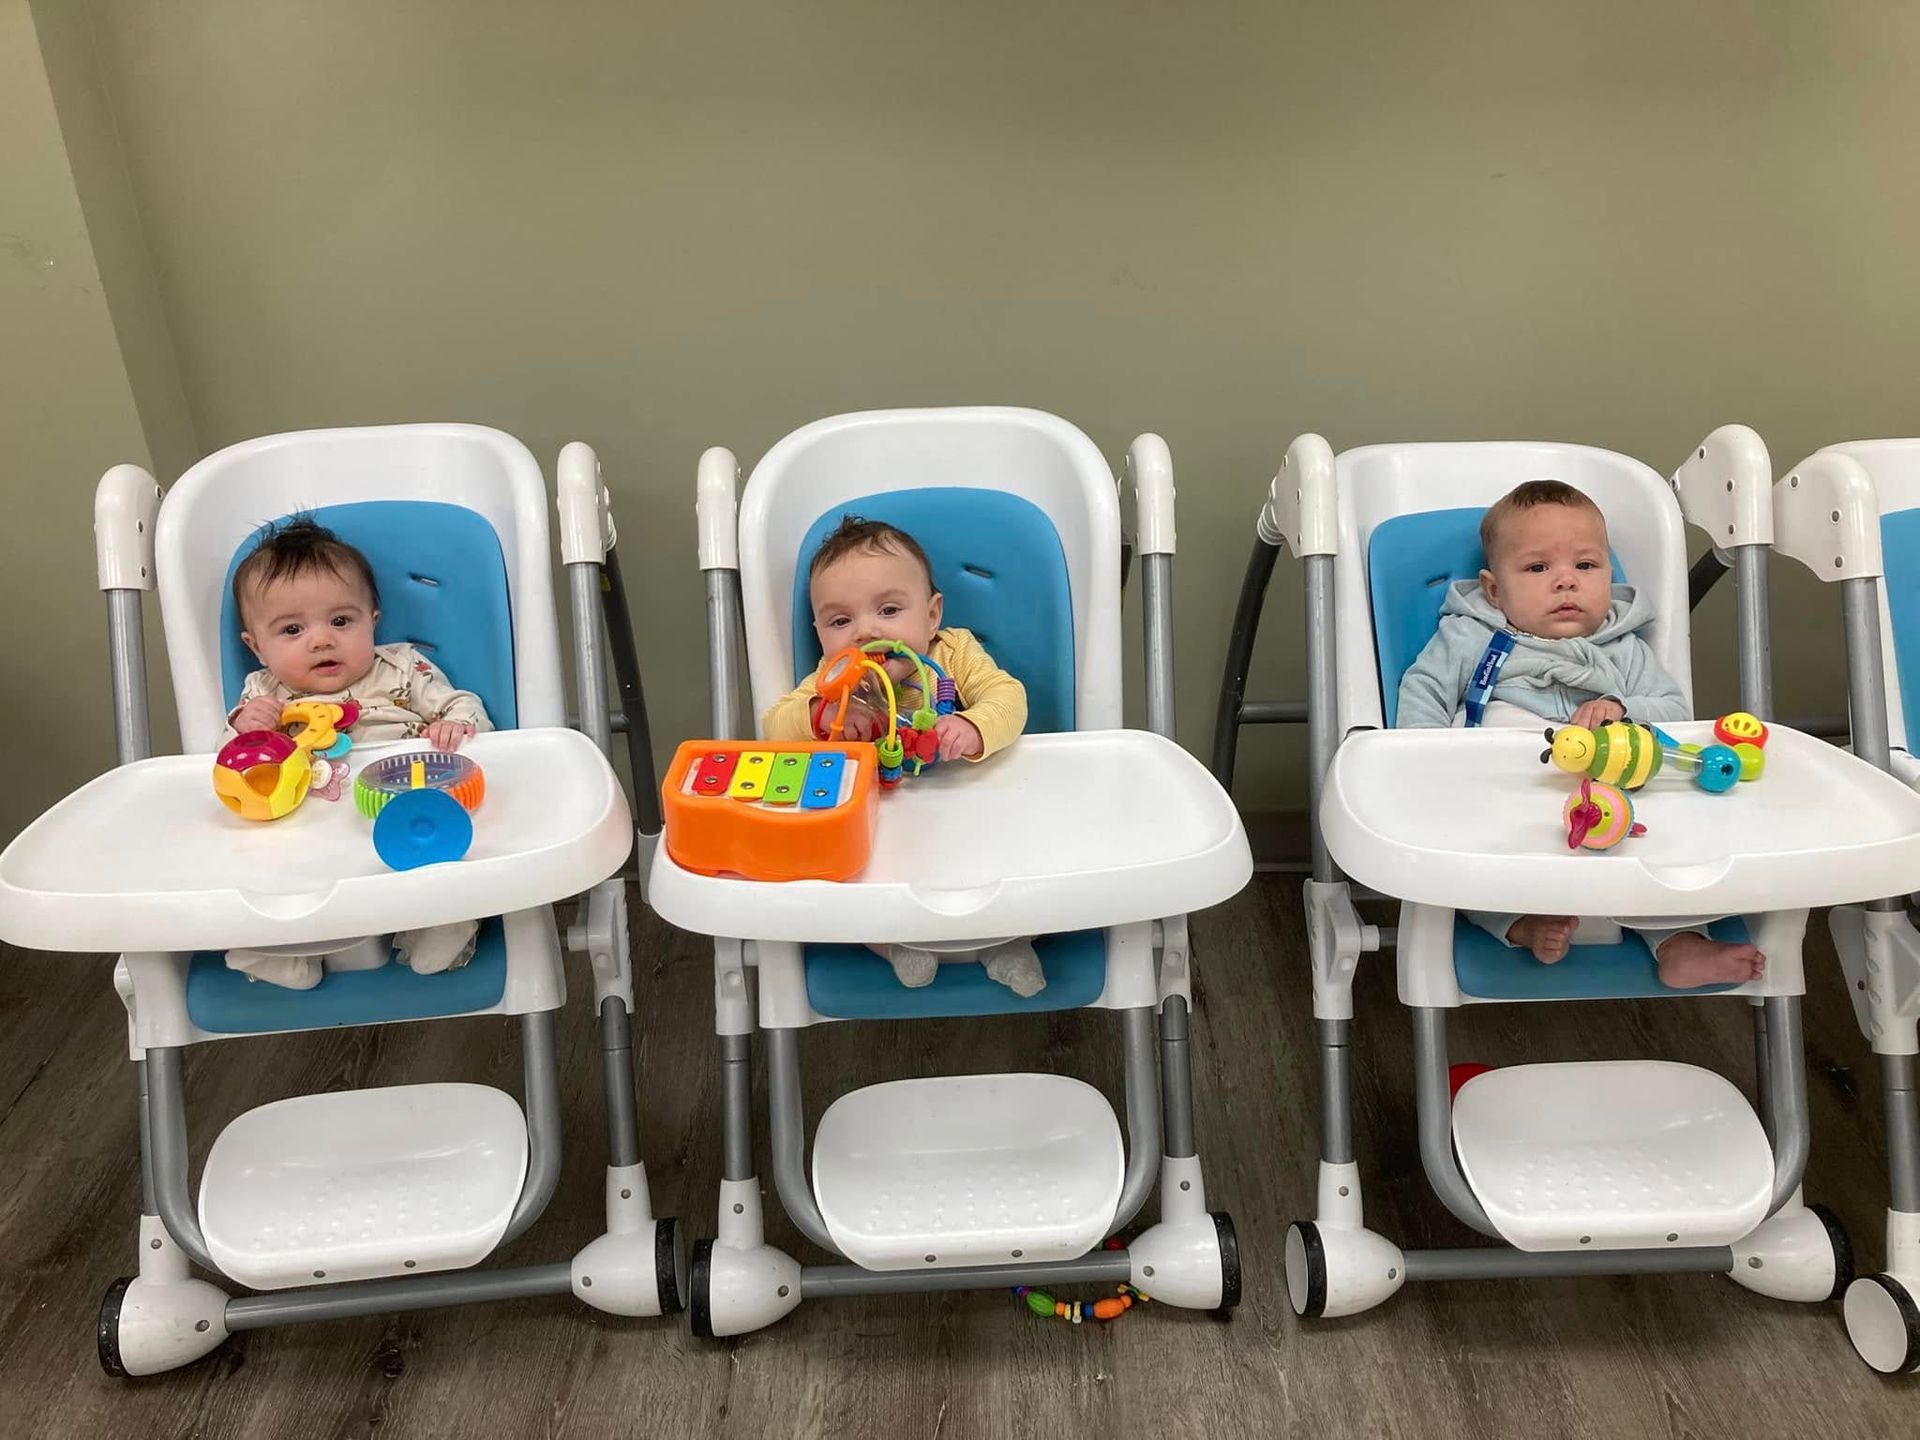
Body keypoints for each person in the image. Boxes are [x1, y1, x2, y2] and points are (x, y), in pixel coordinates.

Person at [1396, 480, 1763, 989]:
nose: (1566, 582)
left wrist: (1621, 708)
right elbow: (1424, 690)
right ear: (1494, 589)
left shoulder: (1624, 649)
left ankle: (1678, 944)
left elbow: (1676, 713)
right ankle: (1520, 925)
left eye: (1586, 566)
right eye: (1538, 568)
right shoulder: (1469, 635)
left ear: (1608, 576)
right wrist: (1423, 762)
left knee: (1664, 862)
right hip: (1507, 802)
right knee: (1466, 870)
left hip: (1617, 811)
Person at [764, 516, 1042, 995]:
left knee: (1017, 870)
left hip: (963, 805)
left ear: (932, 615)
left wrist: (972, 727)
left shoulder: (954, 653)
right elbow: (774, 727)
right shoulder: (834, 680)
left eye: (889, 609)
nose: (864, 631)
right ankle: (896, 944)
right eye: (840, 621)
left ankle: (1007, 942)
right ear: (820, 631)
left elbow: (1009, 697)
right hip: (884, 816)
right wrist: (818, 714)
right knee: (854, 884)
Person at [223, 515, 489, 988]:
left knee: (437, 857)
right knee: (271, 872)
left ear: (373, 622)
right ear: (256, 647)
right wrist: (247, 729)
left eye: (341, 621)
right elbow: (232, 768)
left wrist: (454, 725)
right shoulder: (264, 694)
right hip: (307, 824)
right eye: (291, 630)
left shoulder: (403, 667)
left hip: (398, 803)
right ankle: (274, 947)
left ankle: (438, 924)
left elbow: (463, 704)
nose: (322, 639)